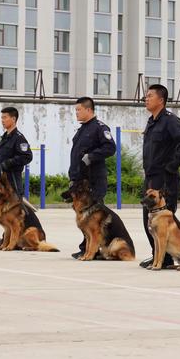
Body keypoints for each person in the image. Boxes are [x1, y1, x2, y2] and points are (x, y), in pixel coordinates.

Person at [140, 84, 180, 269]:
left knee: (163, 221)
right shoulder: (152, 121)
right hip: (151, 178)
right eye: (146, 96)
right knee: (148, 220)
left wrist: (172, 166)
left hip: (165, 179)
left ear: (161, 100)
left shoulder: (170, 121)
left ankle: (166, 258)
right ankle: (158, 255)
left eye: (150, 96)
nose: (146, 99)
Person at [68, 97, 116, 258]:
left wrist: (92, 156)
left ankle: (93, 250)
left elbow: (110, 147)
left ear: (89, 110)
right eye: (76, 110)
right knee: (83, 216)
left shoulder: (99, 128)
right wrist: (73, 177)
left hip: (94, 180)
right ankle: (86, 248)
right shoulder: (82, 129)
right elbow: (76, 155)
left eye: (79, 109)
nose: (76, 113)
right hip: (81, 180)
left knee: (94, 218)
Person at [0, 107, 32, 195]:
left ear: (13, 119)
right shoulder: (5, 137)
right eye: (2, 118)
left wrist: (9, 162)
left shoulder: (19, 138)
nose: (2, 120)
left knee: (16, 206)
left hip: (12, 181)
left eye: (5, 117)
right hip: (1, 182)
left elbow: (27, 156)